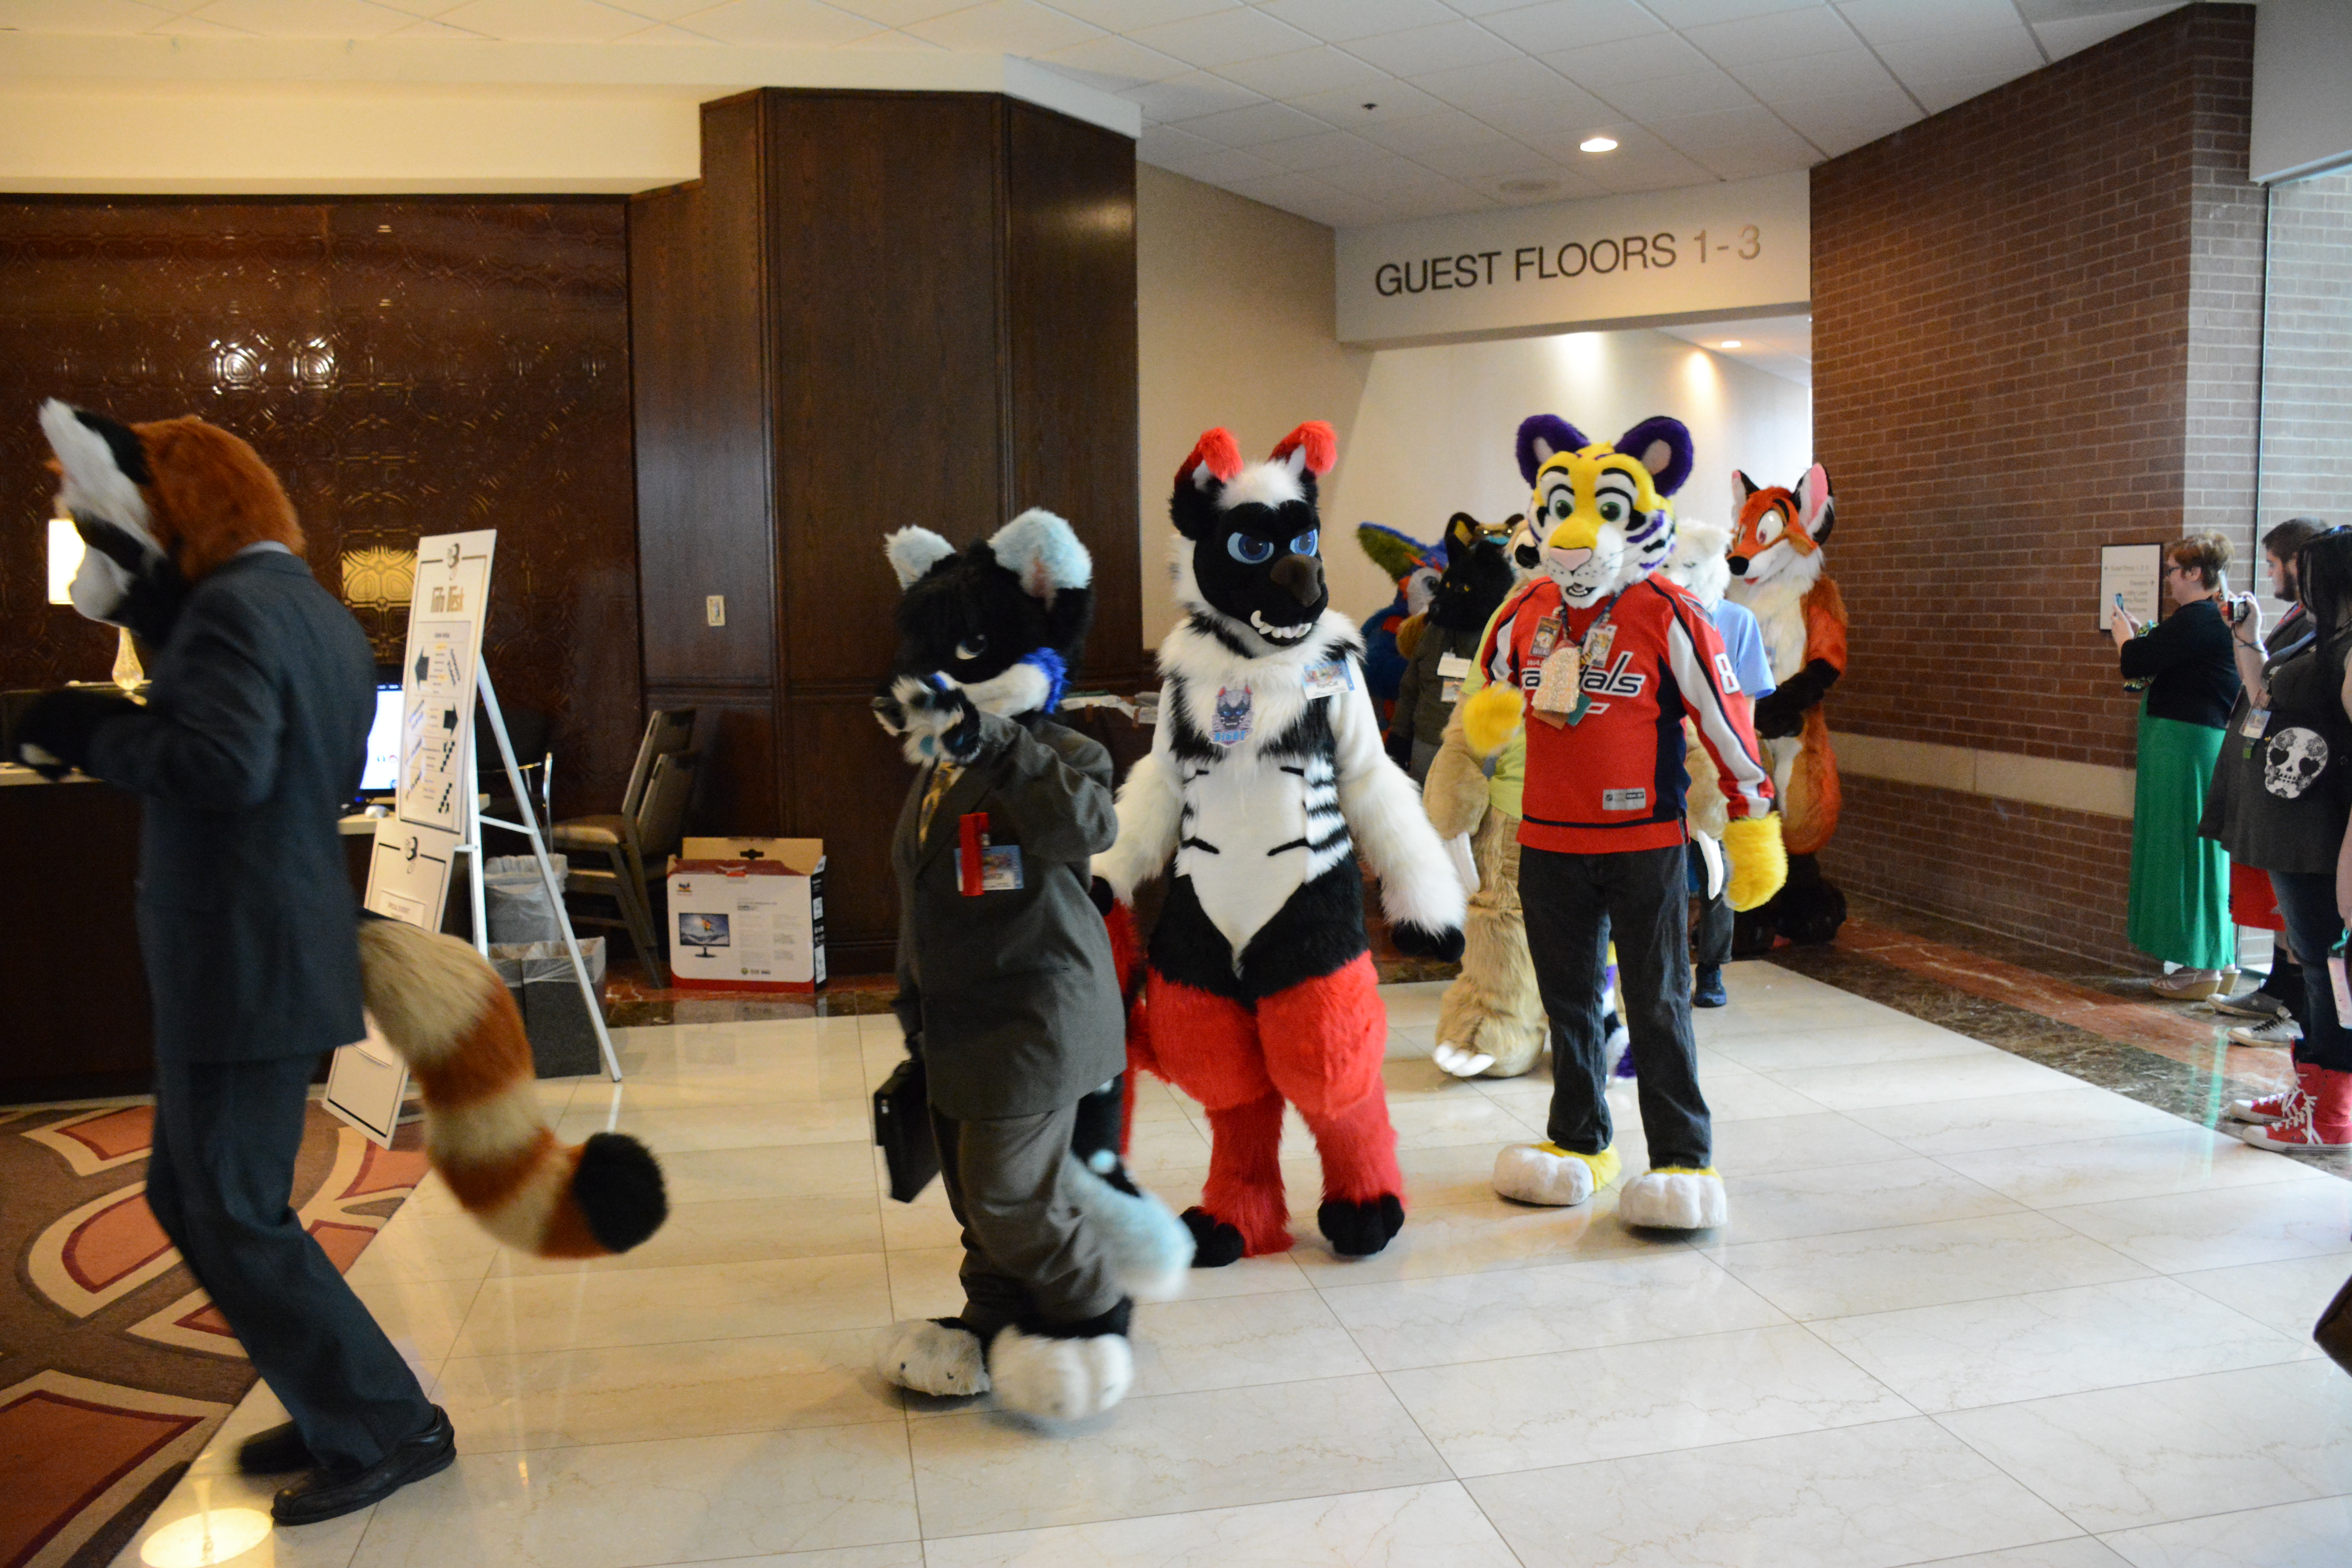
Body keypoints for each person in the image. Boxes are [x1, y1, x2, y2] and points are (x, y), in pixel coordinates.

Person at [14, 407, 452, 1525]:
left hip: (244, 958)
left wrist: (81, 728)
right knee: (195, 1195)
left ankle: (386, 1421)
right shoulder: (304, 603)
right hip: (270, 945)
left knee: (232, 1207)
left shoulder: (230, 612)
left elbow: (220, 764)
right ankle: (335, 1398)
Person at [2219, 526, 2352, 1151]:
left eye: (2308, 569)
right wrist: (2247, 640)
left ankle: (2333, 1113)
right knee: (2311, 963)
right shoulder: (2318, 634)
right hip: (2292, 829)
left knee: (2329, 970)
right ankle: (2311, 1090)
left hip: (2323, 835)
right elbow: (2263, 699)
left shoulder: (2348, 646)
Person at [2205, 519, 2329, 1042]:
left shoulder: (2331, 634)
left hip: (2310, 798)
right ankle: (2285, 996)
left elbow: (2271, 695)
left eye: (2275, 565)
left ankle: (2305, 1021)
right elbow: (2264, 692)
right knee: (2291, 913)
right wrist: (2248, 638)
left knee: (2313, 930)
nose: (2271, 574)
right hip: (2277, 783)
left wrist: (2253, 645)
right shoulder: (2309, 621)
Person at [2114, 532, 2242, 999]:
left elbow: (2135, 662)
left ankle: (2200, 965)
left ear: (2194, 573)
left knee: (2189, 848)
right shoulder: (2210, 618)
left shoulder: (2199, 617)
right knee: (2196, 847)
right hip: (2189, 742)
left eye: (2171, 571)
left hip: (2187, 745)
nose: (2168, 580)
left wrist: (2126, 638)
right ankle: (2217, 958)